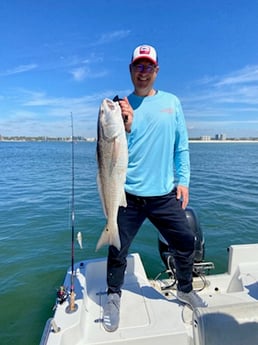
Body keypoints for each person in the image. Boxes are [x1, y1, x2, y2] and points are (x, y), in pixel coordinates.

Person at [102, 44, 207, 332]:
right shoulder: (121, 108)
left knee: (186, 242)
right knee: (117, 249)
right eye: (139, 66)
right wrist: (127, 126)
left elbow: (180, 147)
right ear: (131, 70)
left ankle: (185, 288)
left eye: (149, 66)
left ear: (157, 70)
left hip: (163, 194)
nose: (143, 72)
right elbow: (116, 154)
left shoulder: (172, 102)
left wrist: (183, 180)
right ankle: (113, 296)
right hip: (129, 196)